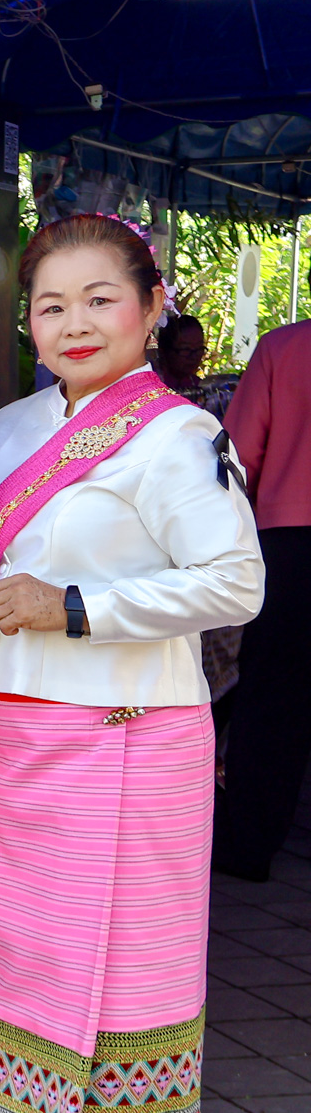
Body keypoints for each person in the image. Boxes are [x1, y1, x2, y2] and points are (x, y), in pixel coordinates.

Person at [0, 213, 262, 1113]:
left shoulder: (176, 436)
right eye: (51, 306)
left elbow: (236, 583)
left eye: (100, 299)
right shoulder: (10, 427)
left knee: (128, 978)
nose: (75, 324)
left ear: (151, 305)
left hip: (125, 740)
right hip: (14, 744)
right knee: (28, 964)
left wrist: (76, 606)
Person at [215, 317, 311, 881]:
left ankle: (250, 846)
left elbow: (236, 455)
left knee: (274, 700)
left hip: (291, 542)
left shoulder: (284, 347)